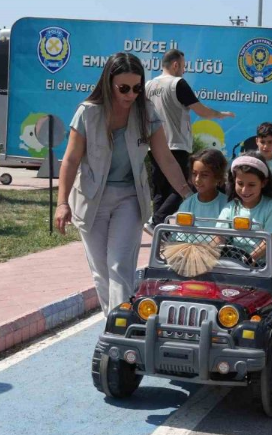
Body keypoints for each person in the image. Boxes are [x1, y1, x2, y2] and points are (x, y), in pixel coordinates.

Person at [54, 52, 193, 316]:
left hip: (129, 198)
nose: (131, 94)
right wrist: (62, 203)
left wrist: (189, 195)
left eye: (137, 88)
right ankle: (113, 323)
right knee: (101, 271)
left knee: (119, 265)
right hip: (91, 200)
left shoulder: (147, 114)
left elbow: (166, 159)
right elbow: (70, 161)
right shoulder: (87, 113)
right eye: (124, 88)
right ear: (108, 83)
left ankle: (120, 327)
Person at [144, 49, 235, 235]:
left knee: (161, 191)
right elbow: (201, 111)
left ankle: (161, 231)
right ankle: (157, 222)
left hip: (154, 146)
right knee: (185, 187)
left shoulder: (148, 85)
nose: (184, 70)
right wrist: (220, 115)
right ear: (176, 65)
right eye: (184, 66)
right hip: (176, 145)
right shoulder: (177, 83)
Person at [217, 151, 272, 277]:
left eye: (251, 185)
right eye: (240, 184)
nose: (245, 190)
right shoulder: (230, 208)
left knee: (261, 284)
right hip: (237, 263)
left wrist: (249, 260)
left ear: (263, 183)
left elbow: (268, 241)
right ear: (234, 180)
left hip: (270, 263)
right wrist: (210, 254)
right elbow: (219, 237)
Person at [178, 148, 228, 225]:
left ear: (218, 176)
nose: (197, 180)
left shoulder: (228, 205)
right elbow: (180, 235)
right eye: (194, 174)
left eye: (204, 175)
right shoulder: (187, 205)